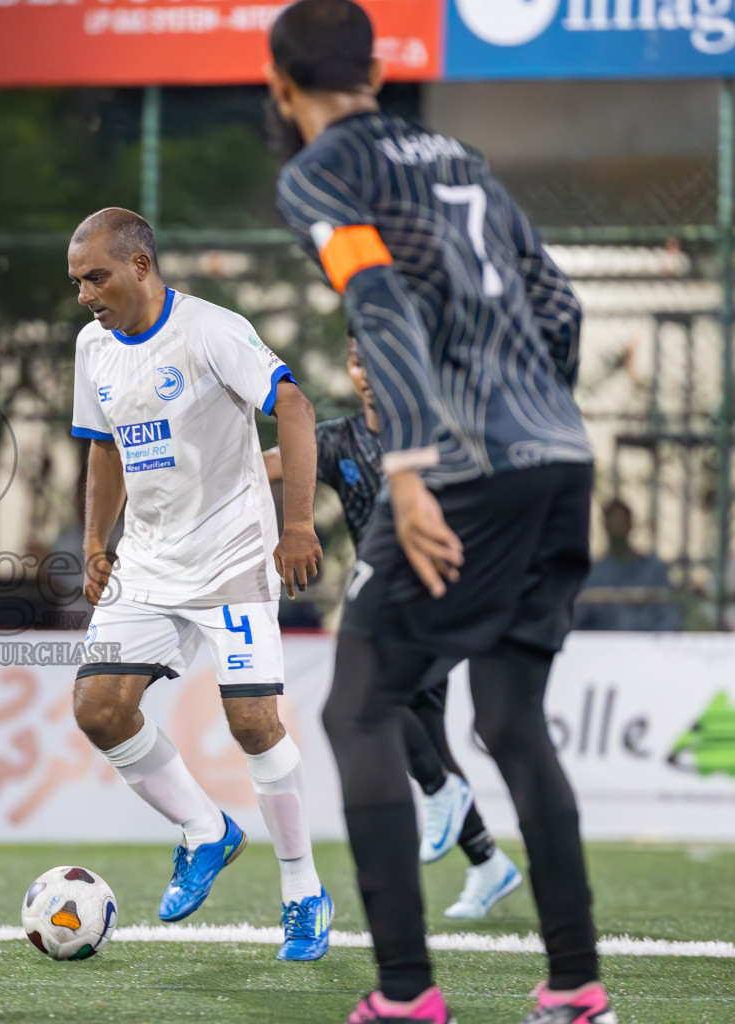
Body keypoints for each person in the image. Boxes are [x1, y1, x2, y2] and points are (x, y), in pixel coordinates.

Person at [268, 3, 610, 1022]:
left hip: (460, 467)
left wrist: (411, 470)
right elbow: (559, 304)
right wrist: (539, 419)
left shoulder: (321, 171)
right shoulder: (460, 157)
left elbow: (375, 304)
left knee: (358, 706)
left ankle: (408, 994)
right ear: (373, 72)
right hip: (558, 453)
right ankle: (576, 984)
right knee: (509, 717)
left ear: (283, 84)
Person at [69, 207, 335, 961]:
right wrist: (96, 539)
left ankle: (303, 891)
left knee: (253, 724)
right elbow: (103, 450)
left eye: (97, 276)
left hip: (233, 557)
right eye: (78, 281)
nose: (85, 293)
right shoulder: (93, 348)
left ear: (140, 267)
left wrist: (298, 524)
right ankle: (205, 829)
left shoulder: (212, 329)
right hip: (149, 562)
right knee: (98, 708)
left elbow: (295, 405)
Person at [264, 335, 522, 920]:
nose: (367, 371)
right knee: (419, 735)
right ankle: (486, 861)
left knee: (375, 702)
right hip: (387, 607)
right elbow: (268, 466)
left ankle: (442, 794)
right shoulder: (338, 439)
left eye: (379, 357)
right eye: (357, 358)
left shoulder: (440, 435)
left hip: (440, 597)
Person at [573, 499, 682, 632]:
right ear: (604, 525)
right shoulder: (594, 574)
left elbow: (669, 615)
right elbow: (580, 619)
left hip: (648, 647)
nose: (617, 526)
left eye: (621, 521)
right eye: (613, 521)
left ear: (630, 524)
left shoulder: (653, 570)